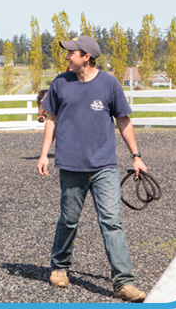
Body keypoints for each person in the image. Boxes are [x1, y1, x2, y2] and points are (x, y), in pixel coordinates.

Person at [36, 35, 148, 303]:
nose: (66, 56)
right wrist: (43, 155)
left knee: (111, 221)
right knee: (69, 220)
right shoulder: (60, 83)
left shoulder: (109, 84)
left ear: (86, 56)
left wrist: (136, 155)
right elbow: (50, 120)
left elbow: (124, 121)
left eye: (70, 53)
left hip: (104, 166)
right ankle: (60, 266)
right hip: (71, 165)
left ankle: (124, 282)